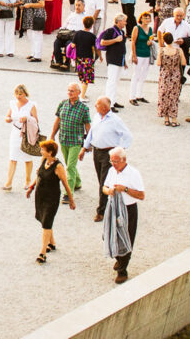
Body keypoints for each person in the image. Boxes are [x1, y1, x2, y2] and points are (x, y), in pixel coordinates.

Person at [83, 96, 134, 220]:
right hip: (97, 152)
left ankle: (101, 211)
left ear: (104, 108)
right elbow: (91, 133)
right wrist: (85, 148)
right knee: (102, 180)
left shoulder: (115, 120)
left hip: (108, 153)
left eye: (97, 104)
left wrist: (120, 150)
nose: (95, 106)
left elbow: (128, 136)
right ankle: (111, 202)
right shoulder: (97, 117)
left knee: (104, 181)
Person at [102, 148, 145, 283]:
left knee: (127, 238)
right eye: (111, 161)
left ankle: (122, 269)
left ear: (123, 160)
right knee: (109, 235)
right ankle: (119, 258)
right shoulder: (111, 171)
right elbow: (104, 187)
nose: (113, 164)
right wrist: (109, 191)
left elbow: (141, 195)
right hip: (113, 207)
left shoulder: (133, 173)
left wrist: (125, 189)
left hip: (128, 208)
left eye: (116, 161)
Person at [26, 140, 74, 263]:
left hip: (51, 198)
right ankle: (52, 243)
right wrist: (31, 188)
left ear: (50, 152)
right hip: (40, 196)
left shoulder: (58, 167)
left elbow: (65, 184)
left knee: (47, 222)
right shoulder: (44, 160)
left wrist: (71, 200)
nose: (41, 151)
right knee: (44, 220)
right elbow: (39, 175)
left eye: (43, 150)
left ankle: (42, 253)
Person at [50, 82, 91, 196]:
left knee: (70, 167)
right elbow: (58, 121)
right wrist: (52, 135)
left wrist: (89, 143)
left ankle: (68, 193)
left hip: (75, 142)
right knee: (69, 164)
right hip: (63, 139)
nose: (69, 93)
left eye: (72, 91)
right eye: (68, 90)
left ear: (79, 92)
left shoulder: (84, 108)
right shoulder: (63, 104)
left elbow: (88, 126)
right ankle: (77, 183)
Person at [4, 84, 39, 191]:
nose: (18, 96)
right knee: (12, 157)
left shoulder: (31, 105)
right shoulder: (13, 104)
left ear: (25, 94)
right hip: (15, 132)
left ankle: (28, 180)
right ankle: (9, 182)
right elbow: (8, 116)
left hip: (26, 133)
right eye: (16, 94)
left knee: (27, 157)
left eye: (20, 94)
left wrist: (27, 118)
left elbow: (36, 120)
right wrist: (8, 119)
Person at [128, 11, 156, 105]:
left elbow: (150, 40)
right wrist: (134, 55)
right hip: (139, 54)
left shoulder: (150, 29)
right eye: (145, 18)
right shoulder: (137, 28)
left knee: (143, 75)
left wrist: (150, 42)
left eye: (148, 18)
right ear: (141, 19)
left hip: (147, 54)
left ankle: (139, 95)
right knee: (136, 75)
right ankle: (132, 97)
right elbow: (133, 42)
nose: (147, 20)